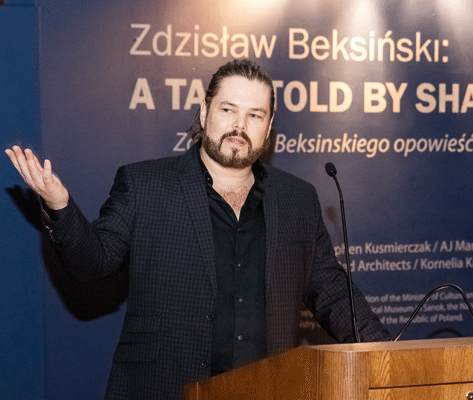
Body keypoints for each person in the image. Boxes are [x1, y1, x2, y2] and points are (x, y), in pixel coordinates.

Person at [6, 59, 391, 399]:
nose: (240, 126)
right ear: (205, 113)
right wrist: (60, 206)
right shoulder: (144, 184)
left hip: (268, 389)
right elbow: (94, 261)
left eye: (255, 115)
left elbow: (333, 293)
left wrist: (390, 357)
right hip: (166, 389)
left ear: (269, 126)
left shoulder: (297, 198)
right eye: (228, 109)